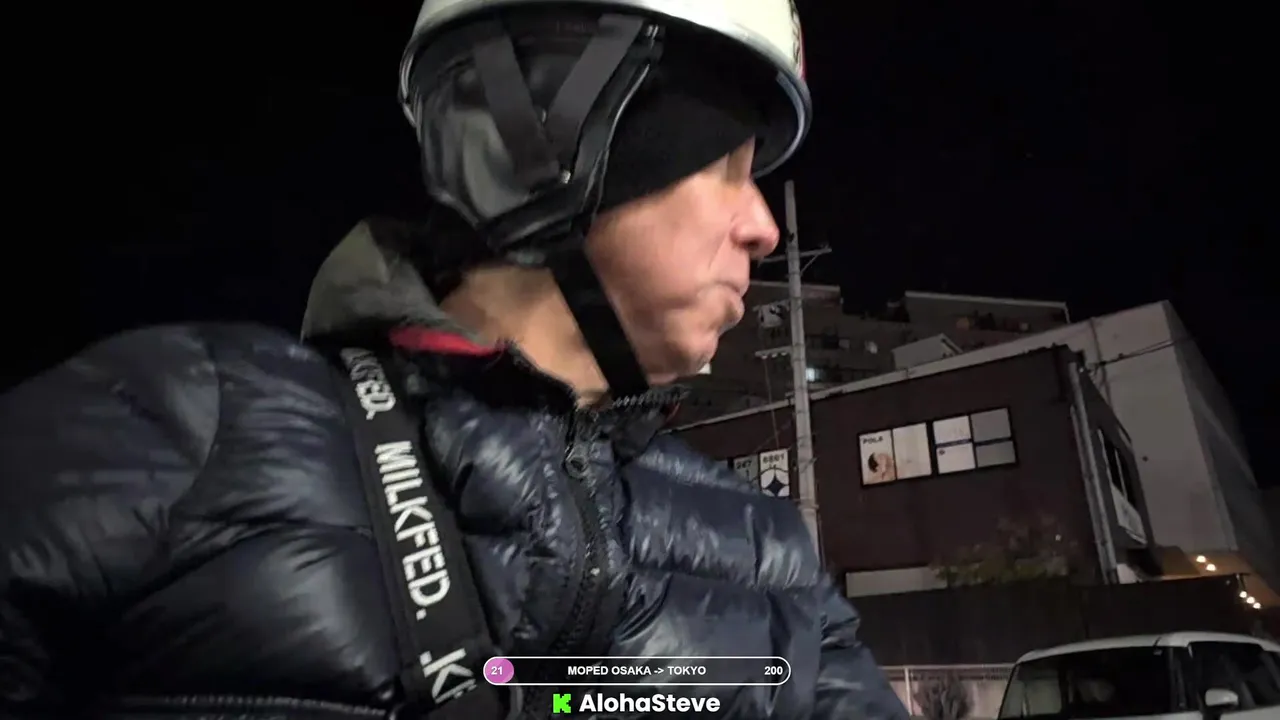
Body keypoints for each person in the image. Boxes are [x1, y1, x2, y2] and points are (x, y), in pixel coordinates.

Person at [0, 0, 907, 717]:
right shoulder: (181, 420)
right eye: (727, 168)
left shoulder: (769, 556)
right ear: (552, 146)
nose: (762, 227)